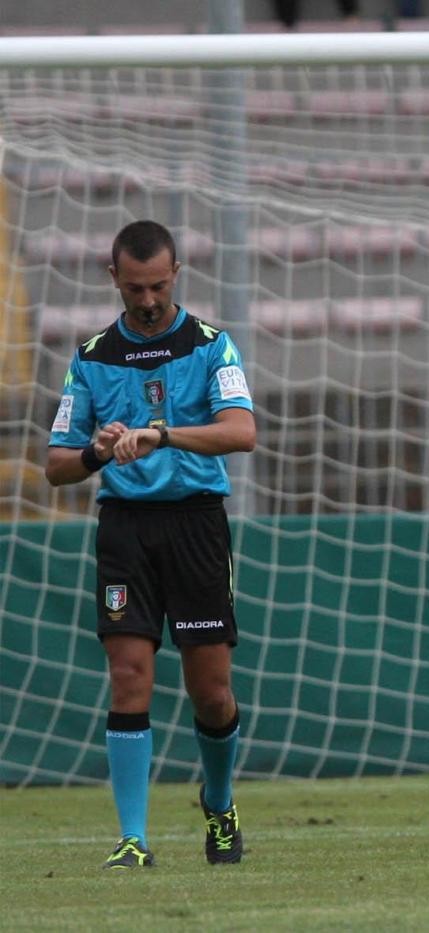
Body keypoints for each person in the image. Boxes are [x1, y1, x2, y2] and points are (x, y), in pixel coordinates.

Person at [45, 220, 257, 868]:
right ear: (114, 278)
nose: (147, 300)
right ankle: (133, 838)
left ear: (176, 275)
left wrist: (162, 434)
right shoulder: (91, 356)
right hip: (126, 528)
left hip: (195, 523)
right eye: (135, 287)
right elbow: (56, 465)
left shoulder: (211, 346)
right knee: (128, 675)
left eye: (159, 286)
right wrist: (96, 451)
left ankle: (219, 803)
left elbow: (241, 432)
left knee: (211, 692)